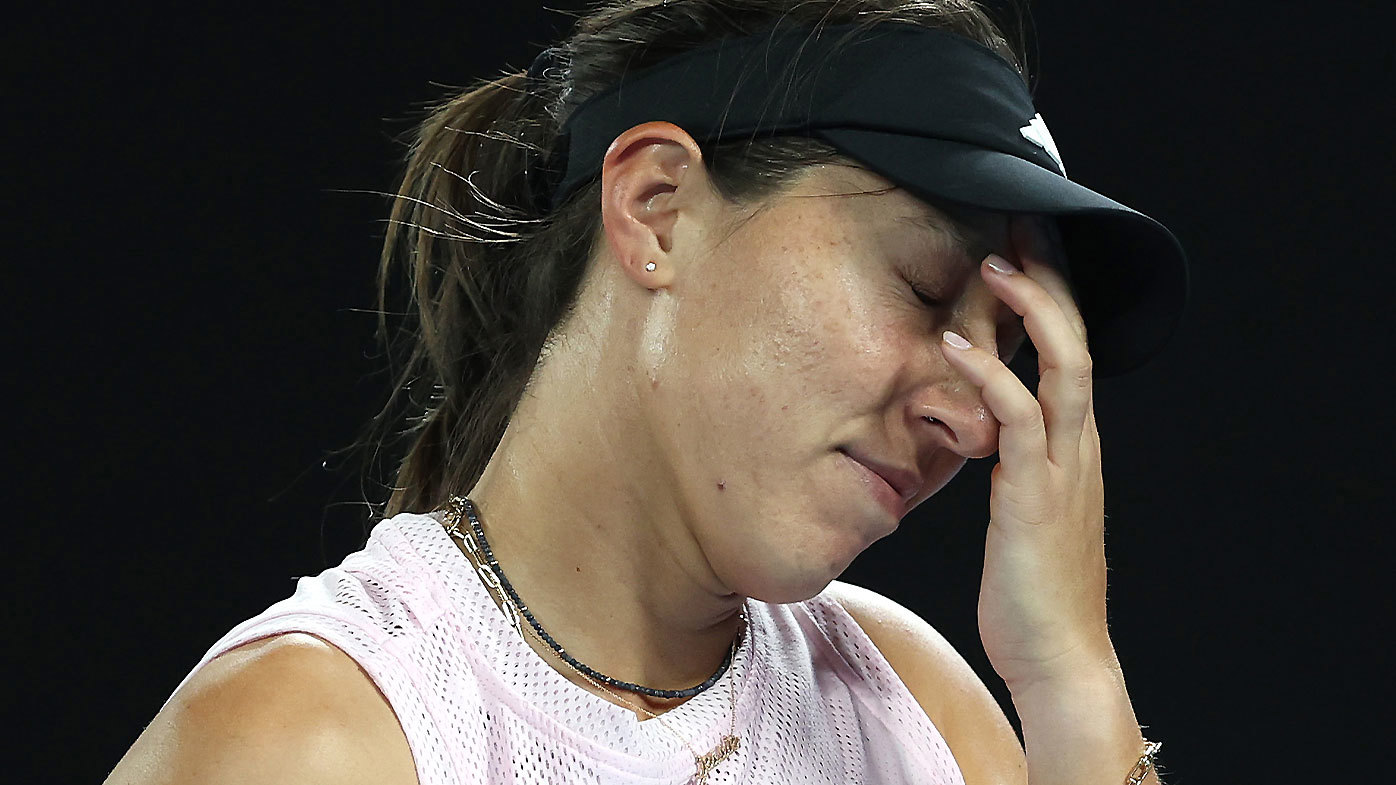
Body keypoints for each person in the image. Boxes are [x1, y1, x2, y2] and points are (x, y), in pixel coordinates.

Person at [105, 1, 1185, 783]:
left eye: (1008, 347)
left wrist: (1072, 682)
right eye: (922, 286)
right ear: (658, 206)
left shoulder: (917, 707)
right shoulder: (315, 738)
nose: (979, 418)